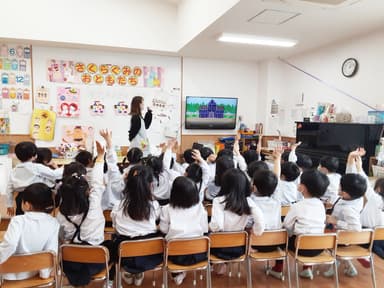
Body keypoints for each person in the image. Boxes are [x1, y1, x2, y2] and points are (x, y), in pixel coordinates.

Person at [56, 141, 106, 286]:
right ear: (87, 191)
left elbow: (60, 239)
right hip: (95, 261)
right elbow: (97, 182)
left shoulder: (60, 213)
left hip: (71, 262)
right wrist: (101, 157)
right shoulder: (94, 205)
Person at [111, 165, 162, 286]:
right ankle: (139, 273)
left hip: (124, 256)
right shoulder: (154, 206)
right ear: (150, 185)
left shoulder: (118, 206)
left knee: (116, 239)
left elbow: (115, 228)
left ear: (127, 184)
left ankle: (129, 273)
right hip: (150, 255)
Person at [209, 168, 265, 275]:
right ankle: (222, 264)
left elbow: (217, 226)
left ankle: (216, 264)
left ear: (225, 184)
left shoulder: (219, 200)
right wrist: (256, 231)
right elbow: (261, 220)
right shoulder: (248, 201)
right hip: (239, 248)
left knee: (207, 233)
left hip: (218, 248)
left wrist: (209, 227)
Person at [0, 183, 59, 280]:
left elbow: (10, 244)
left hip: (9, 274)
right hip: (33, 273)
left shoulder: (18, 220)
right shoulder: (53, 223)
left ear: (27, 205)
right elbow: (51, 251)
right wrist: (44, 274)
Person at [159, 176, 208, 285]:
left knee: (164, 238)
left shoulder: (167, 208)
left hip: (174, 255)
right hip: (198, 253)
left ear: (174, 193)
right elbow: (205, 229)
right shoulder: (200, 208)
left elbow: (163, 229)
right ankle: (179, 272)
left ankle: (178, 272)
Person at [281, 169, 329, 280]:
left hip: (300, 247)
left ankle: (277, 269)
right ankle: (307, 269)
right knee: (311, 234)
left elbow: (287, 225)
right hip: (319, 246)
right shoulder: (321, 205)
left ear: (302, 188)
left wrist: (291, 233)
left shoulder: (297, 206)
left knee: (282, 236)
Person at [324, 170, 366, 278]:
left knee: (320, 236)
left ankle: (337, 263)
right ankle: (347, 265)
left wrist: (336, 221)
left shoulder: (348, 209)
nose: (338, 187)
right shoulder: (355, 198)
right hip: (339, 232)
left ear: (345, 192)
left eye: (340, 186)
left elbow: (356, 228)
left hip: (342, 236)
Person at [6, 141, 63, 216]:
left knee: (22, 218)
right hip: (37, 198)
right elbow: (55, 175)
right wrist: (63, 168)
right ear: (35, 156)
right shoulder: (37, 167)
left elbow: (9, 188)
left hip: (21, 198)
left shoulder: (14, 170)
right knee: (39, 217)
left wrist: (9, 204)